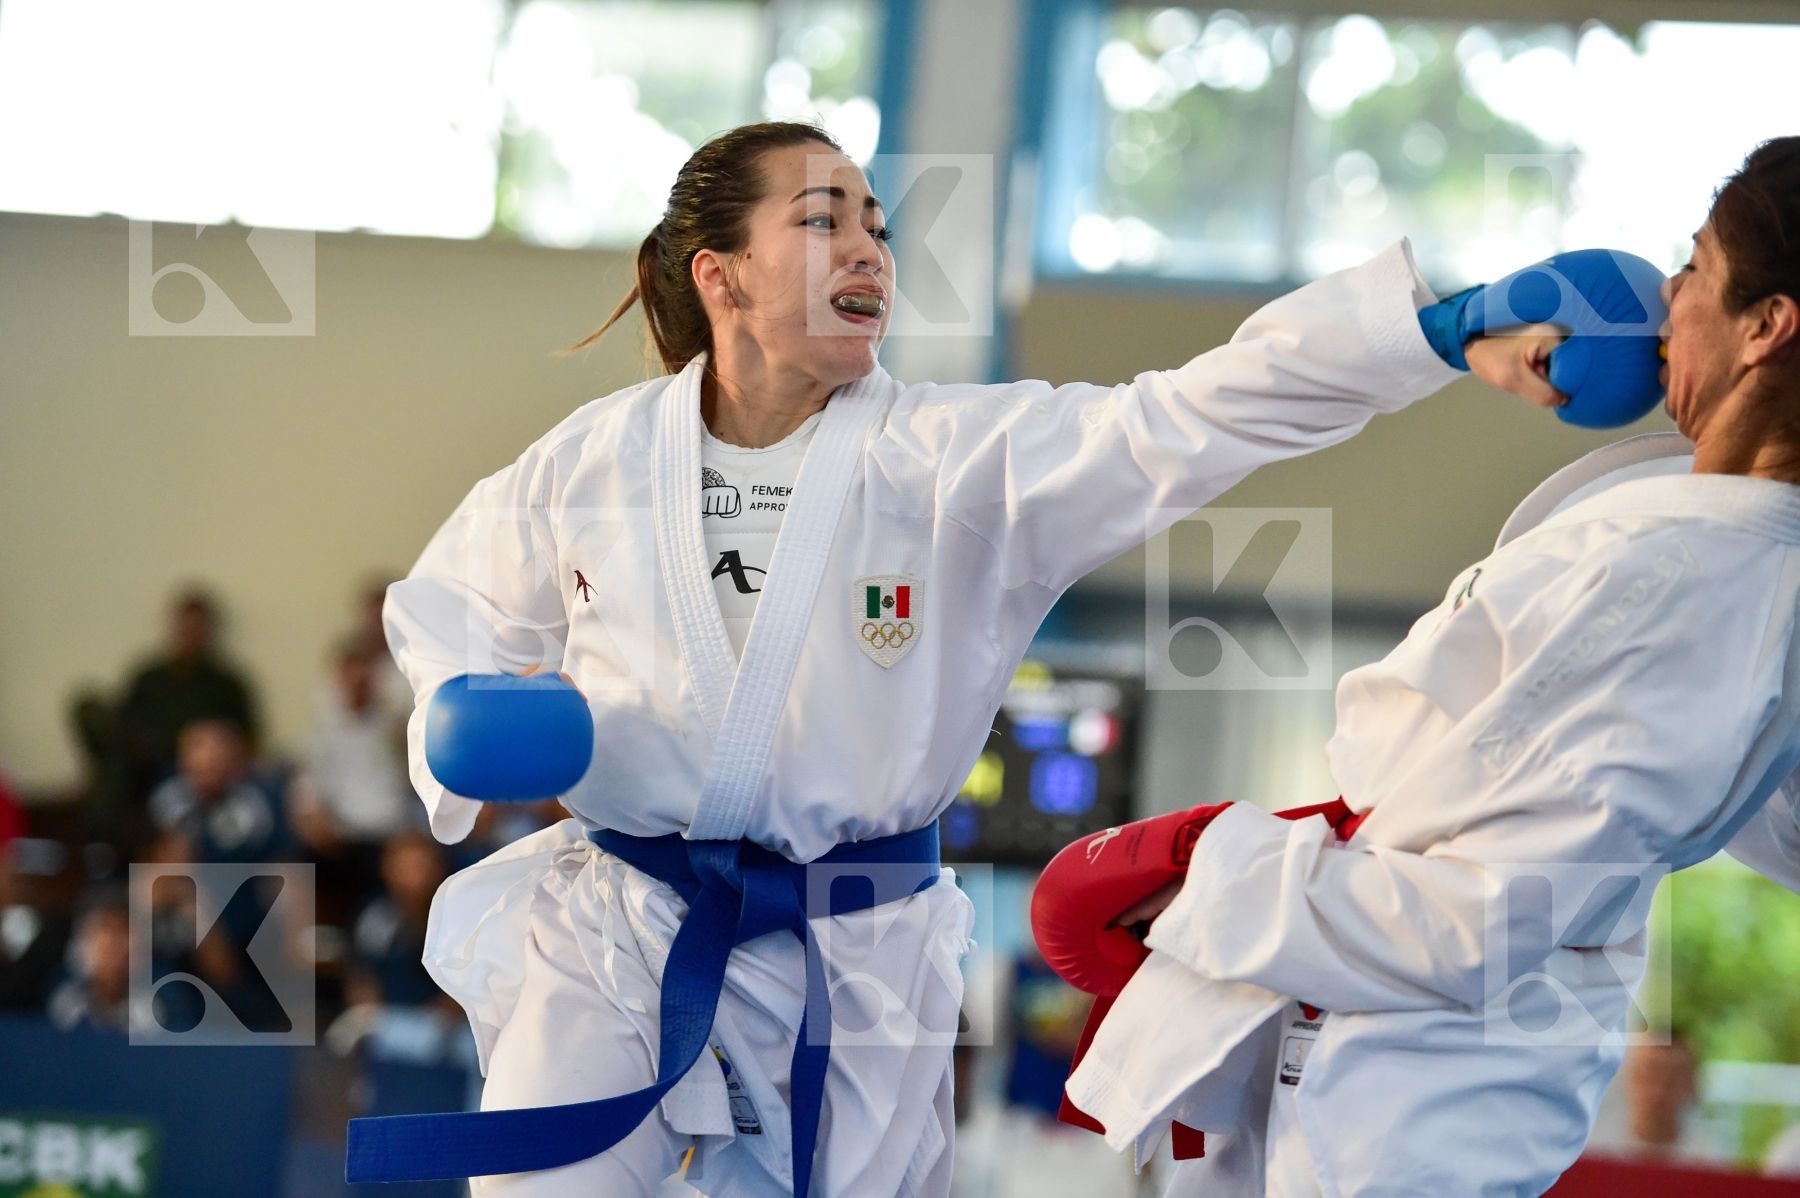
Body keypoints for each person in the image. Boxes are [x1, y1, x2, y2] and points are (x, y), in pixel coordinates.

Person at [353, 119, 1588, 1197]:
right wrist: (465, 700)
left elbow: (1181, 417)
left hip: (854, 940)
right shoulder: (593, 460)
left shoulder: (958, 461)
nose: (868, 249)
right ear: (718, 275)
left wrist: (1427, 335)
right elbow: (457, 599)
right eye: (823, 220)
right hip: (620, 918)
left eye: (877, 227)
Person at [1036, 137, 1800, 1196]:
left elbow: (1481, 917)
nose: (1666, 294)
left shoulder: (1687, 584)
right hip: (1383, 1067)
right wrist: (1450, 336)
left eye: (1698, 267)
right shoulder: (1702, 542)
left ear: (1767, 325)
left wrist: (1209, 871)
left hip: (1406, 1112)